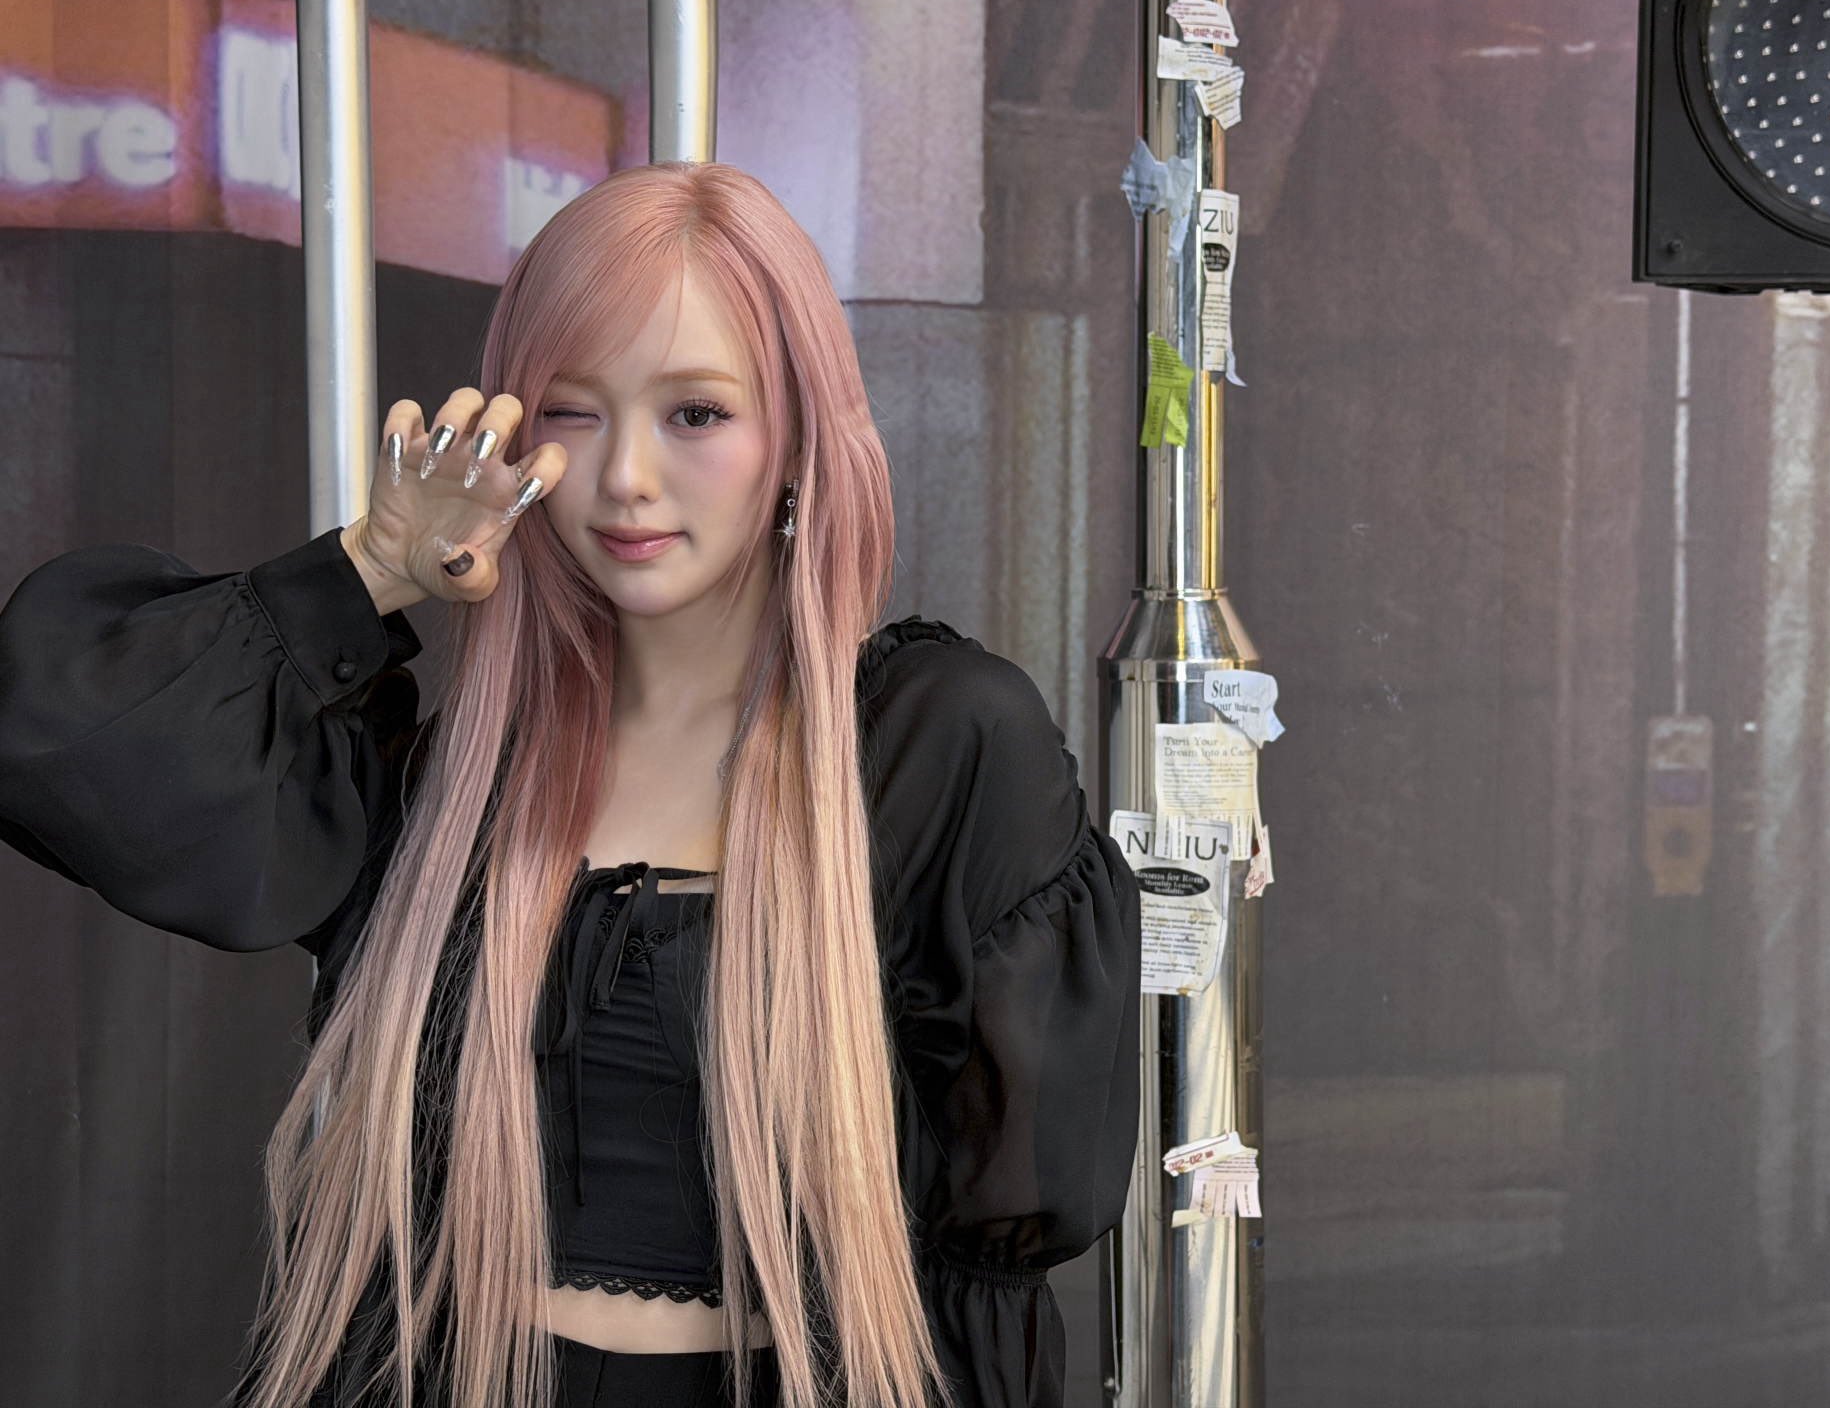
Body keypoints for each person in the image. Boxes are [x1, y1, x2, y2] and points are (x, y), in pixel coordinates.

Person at [0, 161, 1142, 1408]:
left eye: (695, 413)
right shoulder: (455, 780)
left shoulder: (934, 745)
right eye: (573, 412)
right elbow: (66, 740)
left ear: (800, 433)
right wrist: (373, 565)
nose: (627, 477)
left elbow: (1002, 1246)